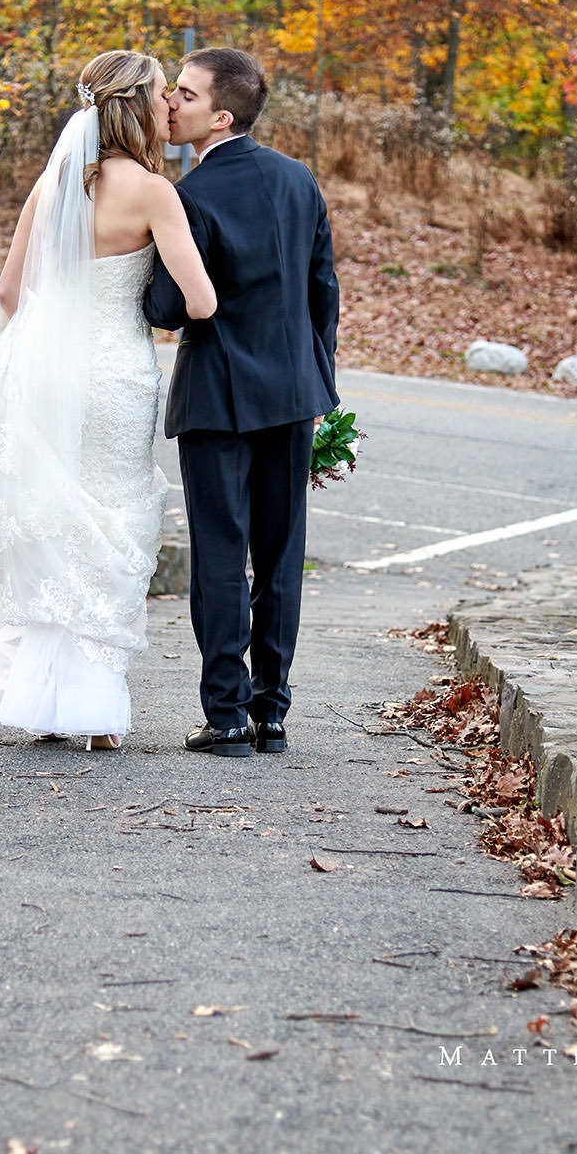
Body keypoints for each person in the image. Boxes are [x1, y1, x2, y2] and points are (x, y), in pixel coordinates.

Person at [0, 51, 217, 751]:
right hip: (115, 374)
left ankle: (46, 701)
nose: (165, 107)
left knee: (55, 522)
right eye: (158, 96)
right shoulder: (153, 191)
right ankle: (96, 707)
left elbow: (6, 293)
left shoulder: (52, 185)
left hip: (44, 377)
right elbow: (199, 302)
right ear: (137, 107)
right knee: (113, 521)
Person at [144, 47, 339, 758]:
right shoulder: (298, 181)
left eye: (185, 96)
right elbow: (324, 295)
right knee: (282, 557)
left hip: (217, 394)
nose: (170, 103)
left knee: (221, 557)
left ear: (220, 115)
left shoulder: (188, 197)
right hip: (293, 394)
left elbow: (172, 306)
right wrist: (322, 387)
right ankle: (273, 715)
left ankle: (224, 717)